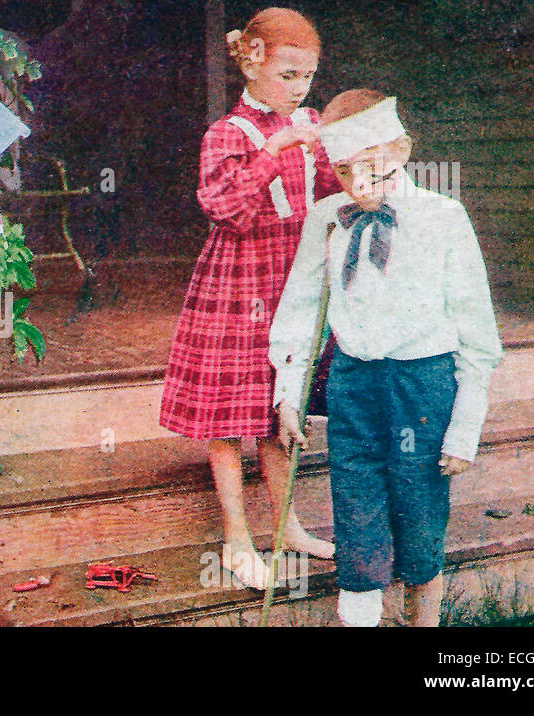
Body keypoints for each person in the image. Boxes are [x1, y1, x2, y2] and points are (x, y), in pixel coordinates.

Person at [270, 89, 504, 626]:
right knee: (356, 506)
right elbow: (300, 312)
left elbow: (477, 334)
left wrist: (465, 428)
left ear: (402, 149)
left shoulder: (443, 217)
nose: (359, 182)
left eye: (372, 165)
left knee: (420, 509)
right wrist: (289, 394)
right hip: (355, 384)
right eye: (345, 169)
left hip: (424, 387)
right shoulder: (327, 219)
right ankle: (361, 617)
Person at [159, 7, 339, 589]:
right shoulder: (228, 133)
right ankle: (237, 537)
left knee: (280, 409)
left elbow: (333, 194)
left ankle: (287, 525)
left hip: (296, 279)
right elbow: (228, 209)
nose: (299, 88)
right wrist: (279, 145)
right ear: (253, 65)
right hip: (241, 280)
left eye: (306, 76)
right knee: (232, 411)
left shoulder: (311, 125)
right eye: (288, 75)